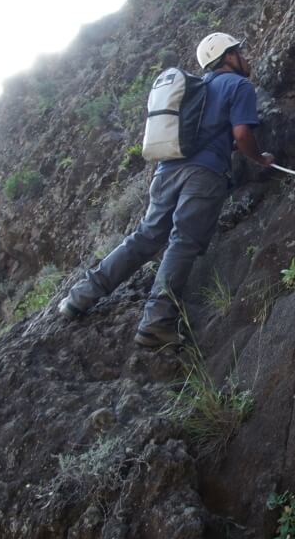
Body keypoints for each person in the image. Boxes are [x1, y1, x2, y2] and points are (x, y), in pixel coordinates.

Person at [59, 32, 274, 346]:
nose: (246, 56)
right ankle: (156, 322)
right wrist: (259, 158)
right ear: (227, 57)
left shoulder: (194, 90)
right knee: (184, 241)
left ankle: (79, 297)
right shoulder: (239, 86)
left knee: (146, 236)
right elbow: (242, 133)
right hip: (204, 175)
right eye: (240, 51)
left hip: (166, 172)